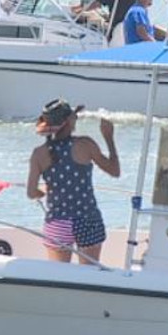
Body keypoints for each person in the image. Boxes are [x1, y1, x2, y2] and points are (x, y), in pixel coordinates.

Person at [26, 99, 120, 264]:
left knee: (59, 277)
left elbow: (31, 193)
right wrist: (109, 138)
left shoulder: (39, 154)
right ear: (68, 122)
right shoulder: (85, 144)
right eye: (74, 117)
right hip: (87, 219)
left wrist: (44, 191)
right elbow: (114, 171)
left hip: (57, 222)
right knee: (89, 276)